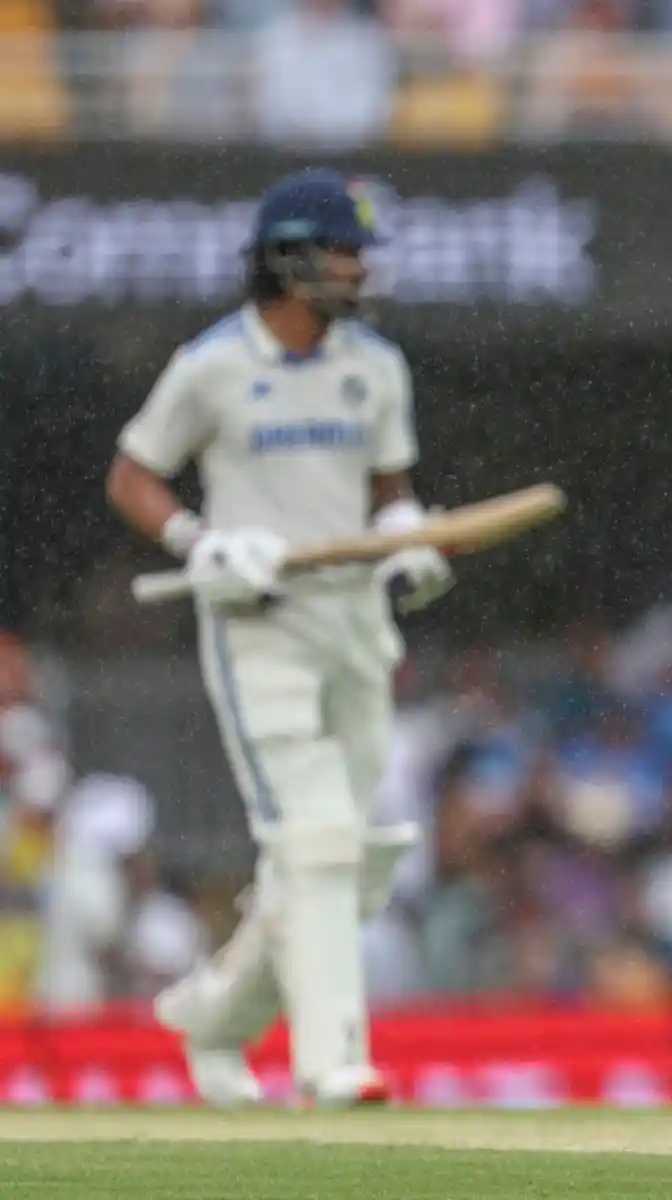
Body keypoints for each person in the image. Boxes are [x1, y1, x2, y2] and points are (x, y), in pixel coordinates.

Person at [105, 168, 451, 1108]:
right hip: (259, 628)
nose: (357, 268)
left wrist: (406, 547)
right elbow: (134, 474)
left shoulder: (375, 367)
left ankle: (216, 1015)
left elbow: (390, 493)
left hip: (353, 624)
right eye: (342, 250)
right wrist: (200, 540)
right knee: (319, 841)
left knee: (350, 854)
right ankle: (331, 1060)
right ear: (289, 257)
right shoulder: (213, 364)